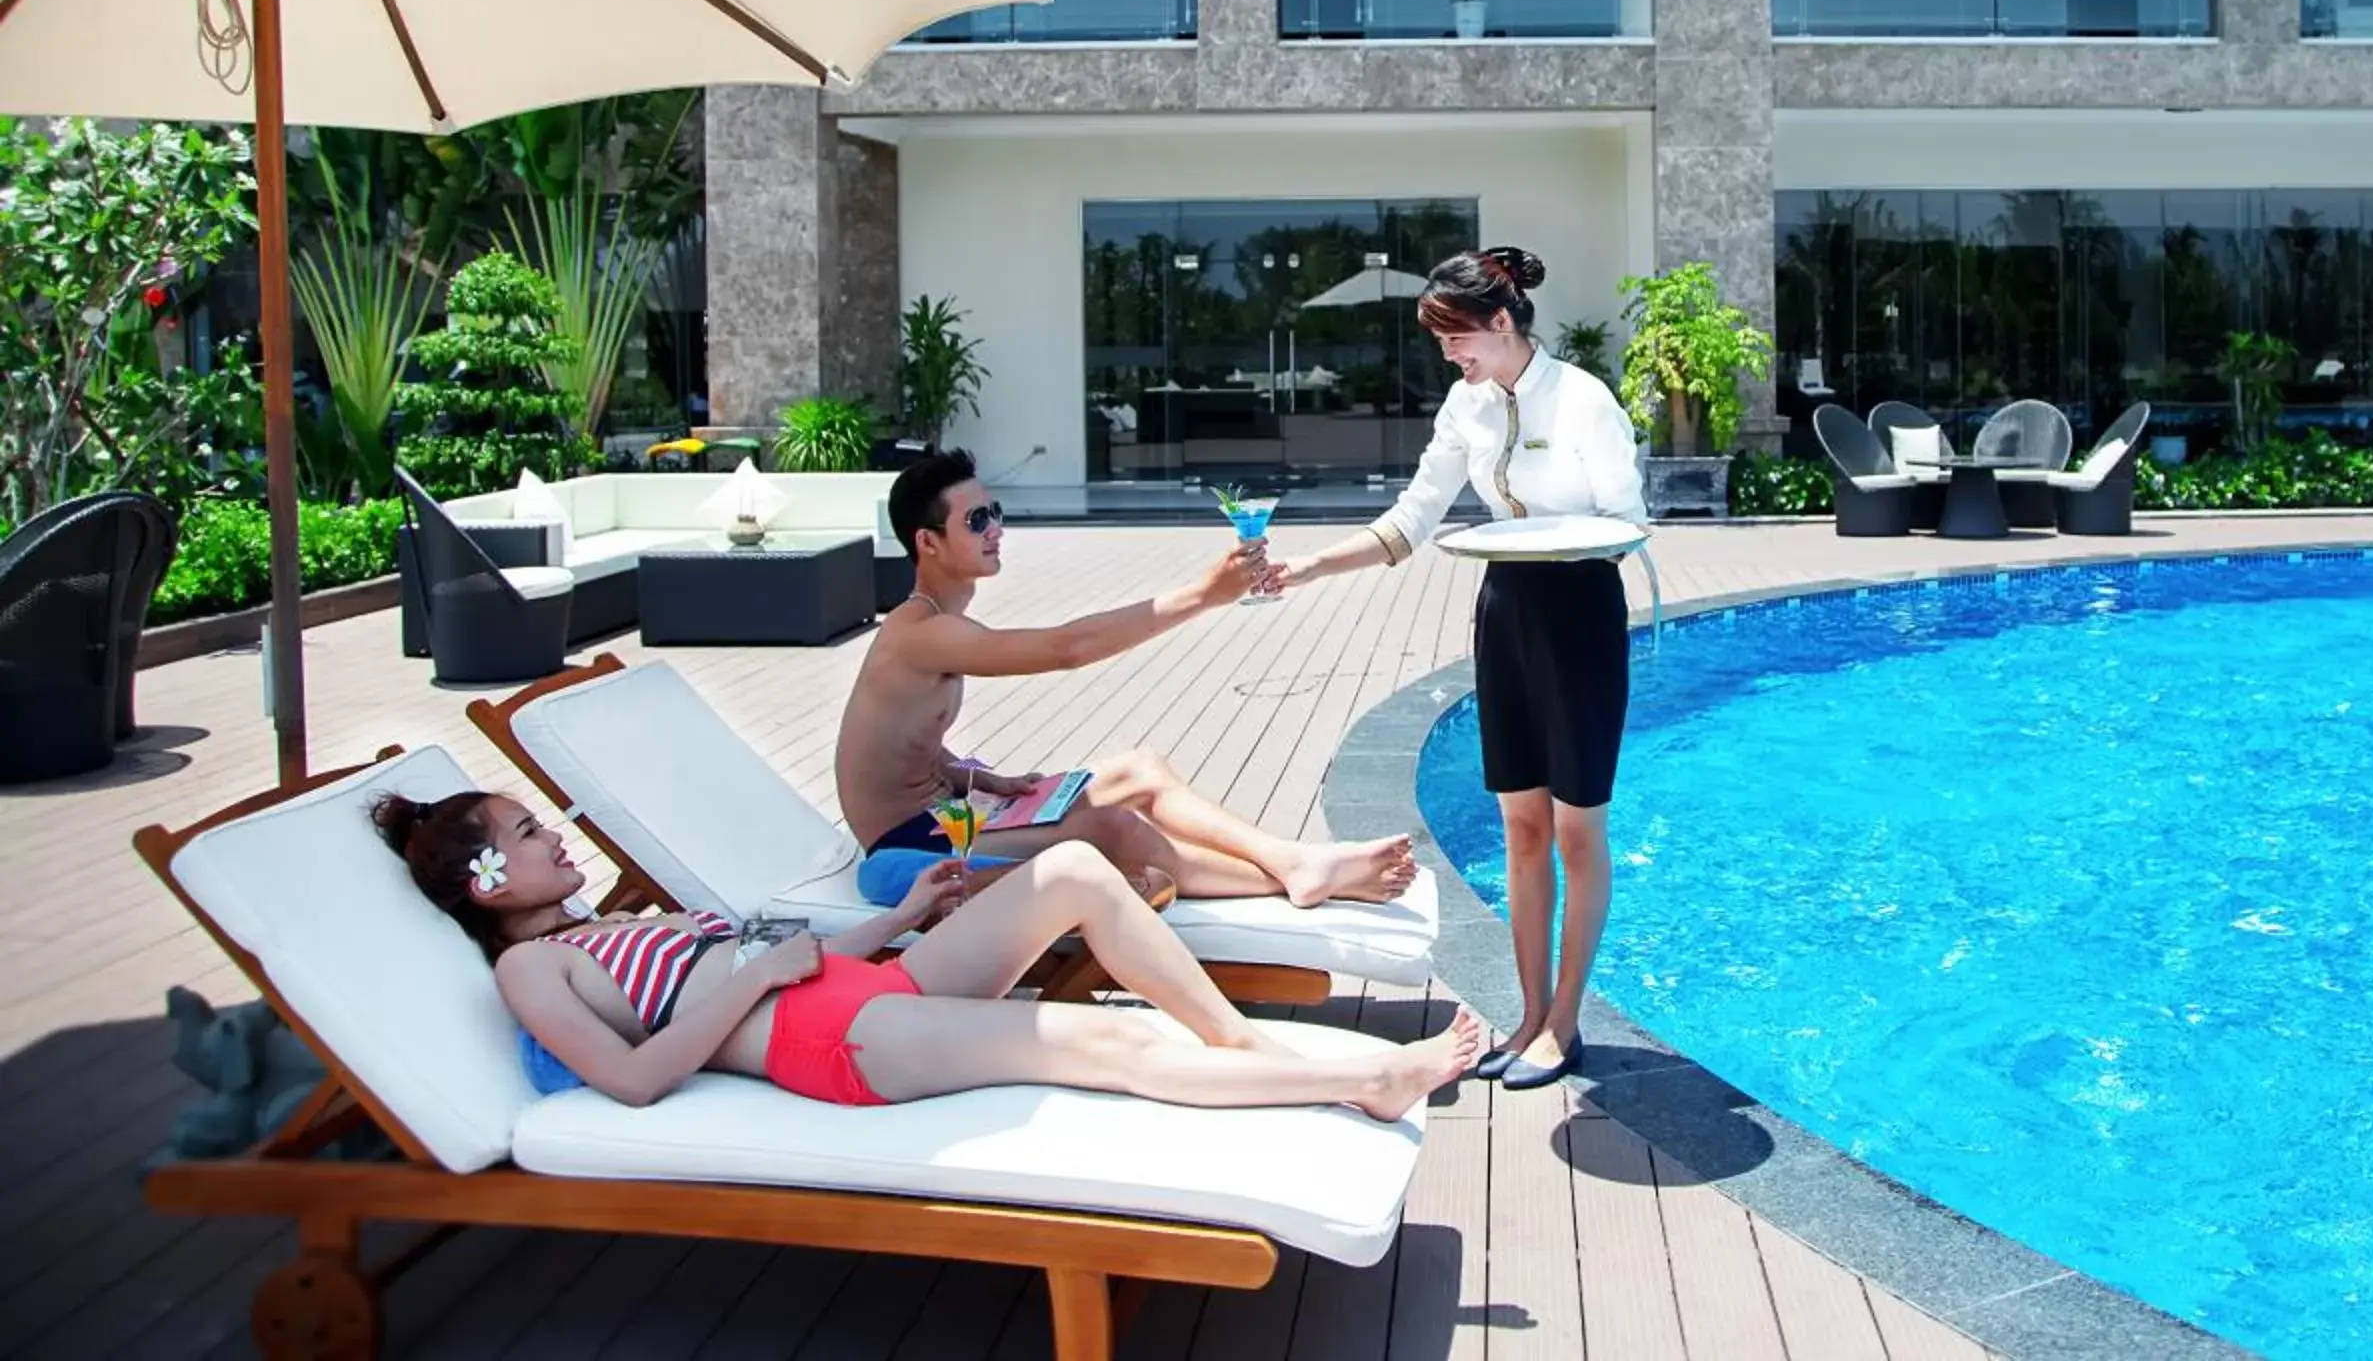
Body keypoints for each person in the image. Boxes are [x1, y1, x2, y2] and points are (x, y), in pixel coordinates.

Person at [373, 790, 1481, 1115]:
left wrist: (900, 922)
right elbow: (632, 1076)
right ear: (485, 882)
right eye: (526, 835)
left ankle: (1242, 1044)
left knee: (1080, 874)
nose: (550, 836)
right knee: (1093, 1035)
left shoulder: (615, 919)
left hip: (867, 981)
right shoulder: (530, 968)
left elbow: (787, 957)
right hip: (832, 1038)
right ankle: (1361, 1077)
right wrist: (756, 975)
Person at [1268, 248, 1643, 1090]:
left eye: (1455, 338)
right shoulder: (1467, 406)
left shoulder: (1583, 400)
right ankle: (1527, 1016)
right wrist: (1306, 567)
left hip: (1580, 611)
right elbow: (1412, 519)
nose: (1449, 356)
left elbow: (1627, 523)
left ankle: (1566, 1022)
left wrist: (1556, 542)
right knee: (1520, 828)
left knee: (1578, 830)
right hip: (1504, 610)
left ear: (1501, 322)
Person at [837, 449, 1420, 910]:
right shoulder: (921, 633)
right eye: (976, 520)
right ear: (928, 542)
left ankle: (1292, 861)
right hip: (910, 848)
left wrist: (983, 777)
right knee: (1107, 824)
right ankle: (1289, 880)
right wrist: (1203, 595)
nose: (996, 529)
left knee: (1140, 770)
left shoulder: (940, 624)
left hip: (953, 814)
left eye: (996, 513)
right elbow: (1068, 648)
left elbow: (907, 740)